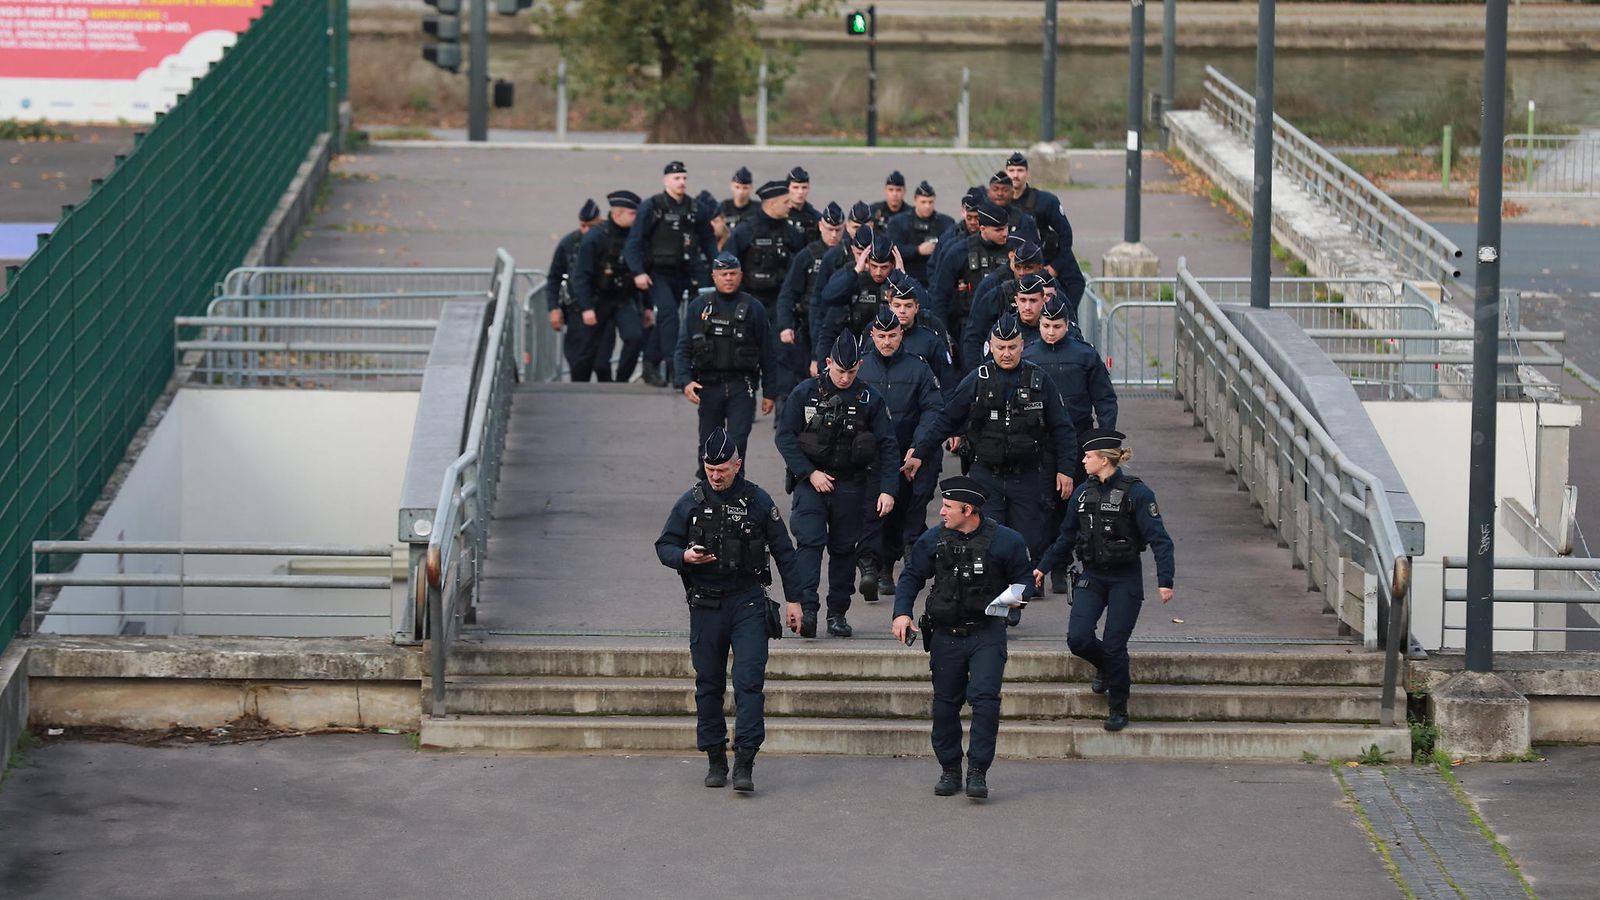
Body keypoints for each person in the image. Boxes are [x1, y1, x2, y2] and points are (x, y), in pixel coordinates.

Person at [656, 428, 804, 792]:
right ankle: (715, 758)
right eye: (710, 470)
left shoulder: (757, 501)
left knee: (748, 683)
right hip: (705, 603)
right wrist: (685, 557)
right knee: (708, 683)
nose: (716, 476)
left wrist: (796, 600)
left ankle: (745, 762)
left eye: (722, 469)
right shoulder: (690, 501)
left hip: (748, 600)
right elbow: (664, 545)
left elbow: (785, 550)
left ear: (738, 465)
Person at [906, 313, 1078, 625]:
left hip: (1027, 475)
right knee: (989, 544)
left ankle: (1011, 605)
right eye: (1001, 347)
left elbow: (1063, 429)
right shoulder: (977, 380)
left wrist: (1066, 469)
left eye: (1012, 347)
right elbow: (946, 419)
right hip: (986, 476)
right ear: (991, 347)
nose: (1007, 353)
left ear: (1022, 345)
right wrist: (920, 453)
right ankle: (998, 608)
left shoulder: (1040, 381)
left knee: (1026, 545)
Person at [892, 476, 1035, 799]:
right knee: (945, 706)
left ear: (968, 510)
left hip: (987, 634)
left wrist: (1003, 604)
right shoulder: (934, 539)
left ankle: (977, 771)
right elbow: (912, 575)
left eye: (948, 507)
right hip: (945, 636)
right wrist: (901, 613)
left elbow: (1025, 580)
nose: (941, 512)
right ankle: (950, 769)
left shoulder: (1006, 541)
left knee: (985, 702)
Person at [1034, 429, 1174, 732]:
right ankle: (1105, 668)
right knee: (1078, 638)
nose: (1082, 461)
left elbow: (1160, 540)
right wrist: (1042, 567)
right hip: (1093, 575)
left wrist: (1165, 580)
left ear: (1104, 459)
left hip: (1124, 578)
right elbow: (1066, 537)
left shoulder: (1137, 493)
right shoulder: (1084, 494)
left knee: (1113, 645)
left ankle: (1118, 706)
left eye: (1087, 457)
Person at [774, 330, 898, 638]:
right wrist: (809, 473)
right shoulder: (805, 392)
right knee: (810, 545)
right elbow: (785, 437)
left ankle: (838, 613)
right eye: (840, 370)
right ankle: (809, 611)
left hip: (851, 485)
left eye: (852, 371)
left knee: (844, 551)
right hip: (812, 482)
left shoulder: (869, 398)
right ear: (828, 363)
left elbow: (888, 445)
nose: (845, 378)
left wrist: (888, 489)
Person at [1025, 294, 1117, 593]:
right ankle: (1037, 569)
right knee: (1039, 508)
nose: (1051, 332)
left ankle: (1061, 567)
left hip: (1078, 440)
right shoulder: (1028, 355)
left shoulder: (1084, 355)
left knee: (1071, 506)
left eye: (1057, 326)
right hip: (1039, 441)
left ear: (1067, 325)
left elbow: (1104, 399)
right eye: (1047, 326)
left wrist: (1104, 439)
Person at [857, 306, 944, 601]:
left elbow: (933, 409)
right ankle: (878, 569)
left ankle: (902, 563)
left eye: (892, 336)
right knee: (876, 514)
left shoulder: (919, 368)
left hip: (909, 454)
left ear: (901, 335)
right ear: (872, 336)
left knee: (908, 510)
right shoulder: (861, 367)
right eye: (881, 336)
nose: (886, 342)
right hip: (873, 457)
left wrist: (918, 446)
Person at [676, 252, 779, 472]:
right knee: (708, 445)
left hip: (742, 386)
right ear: (714, 276)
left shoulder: (754, 308)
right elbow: (683, 348)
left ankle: (735, 495)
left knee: (737, 444)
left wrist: (770, 393)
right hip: (709, 385)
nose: (729, 278)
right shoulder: (699, 307)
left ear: (741, 275)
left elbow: (768, 353)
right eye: (723, 274)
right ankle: (707, 495)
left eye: (733, 273)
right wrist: (685, 381)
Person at [626, 161, 718, 388]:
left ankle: (650, 363)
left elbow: (708, 240)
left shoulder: (696, 208)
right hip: (658, 272)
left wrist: (718, 266)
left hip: (684, 271)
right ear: (666, 180)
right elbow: (634, 242)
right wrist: (638, 271)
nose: (682, 183)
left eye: (684, 178)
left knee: (670, 320)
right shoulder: (652, 206)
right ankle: (676, 369)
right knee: (668, 315)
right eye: (677, 178)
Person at [726, 180, 806, 399]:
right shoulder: (745, 231)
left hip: (780, 302)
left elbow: (802, 266)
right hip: (748, 301)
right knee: (744, 353)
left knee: (782, 354)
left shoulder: (791, 233)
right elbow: (727, 265)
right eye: (786, 202)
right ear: (771, 204)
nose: (790, 206)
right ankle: (744, 400)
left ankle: (781, 408)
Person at [570, 190, 649, 382]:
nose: (636, 218)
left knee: (634, 337)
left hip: (623, 298)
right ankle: (578, 386)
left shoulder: (636, 237)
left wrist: (647, 306)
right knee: (586, 348)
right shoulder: (596, 237)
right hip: (599, 299)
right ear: (617, 213)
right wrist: (587, 308)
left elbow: (645, 272)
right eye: (632, 214)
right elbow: (581, 275)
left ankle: (622, 380)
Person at [929, 200, 1010, 370]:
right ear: (983, 229)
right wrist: (944, 335)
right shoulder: (960, 251)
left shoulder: (1015, 251)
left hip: (1008, 322)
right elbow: (940, 296)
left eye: (1006, 228)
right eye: (998, 230)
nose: (1005, 234)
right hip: (969, 328)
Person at [776, 201, 844, 387]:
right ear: (820, 225)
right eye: (829, 229)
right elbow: (788, 294)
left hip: (841, 325)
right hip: (807, 325)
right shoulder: (807, 256)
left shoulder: (850, 255)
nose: (833, 235)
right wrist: (785, 325)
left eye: (838, 230)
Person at [813, 231, 900, 366]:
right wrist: (855, 271)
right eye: (874, 266)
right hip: (854, 353)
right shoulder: (853, 279)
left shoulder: (899, 283)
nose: (878, 272)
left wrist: (903, 276)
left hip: (889, 355)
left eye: (884, 268)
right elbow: (827, 297)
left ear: (893, 265)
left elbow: (922, 305)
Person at [961, 240, 1047, 367]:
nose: (1022, 273)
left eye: (1028, 268)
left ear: (1040, 268)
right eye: (1018, 267)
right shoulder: (999, 295)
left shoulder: (1054, 296)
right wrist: (979, 375)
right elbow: (973, 337)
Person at [547, 198, 604, 380]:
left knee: (602, 362)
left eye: (590, 226)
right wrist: (553, 308)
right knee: (578, 360)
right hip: (576, 309)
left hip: (604, 307)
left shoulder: (607, 238)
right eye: (583, 225)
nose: (585, 230)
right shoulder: (569, 243)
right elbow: (554, 277)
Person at [887, 180, 953, 284]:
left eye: (930, 202)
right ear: (915, 200)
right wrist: (917, 250)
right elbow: (892, 248)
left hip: (935, 277)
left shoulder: (946, 223)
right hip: (908, 276)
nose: (927, 206)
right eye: (923, 202)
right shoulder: (899, 222)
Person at [786, 166, 822, 245]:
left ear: (809, 188)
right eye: (795, 187)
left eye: (804, 187)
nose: (800, 192)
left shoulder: (815, 217)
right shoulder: (780, 214)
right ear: (787, 188)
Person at [719, 166, 756, 235]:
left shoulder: (758, 210)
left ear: (751, 188)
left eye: (745, 188)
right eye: (737, 187)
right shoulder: (722, 207)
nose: (741, 192)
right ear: (731, 186)